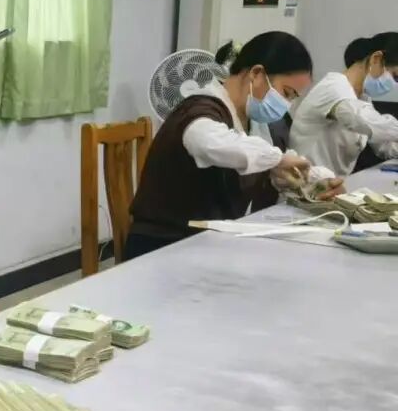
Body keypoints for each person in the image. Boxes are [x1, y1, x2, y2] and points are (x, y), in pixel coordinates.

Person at [125, 31, 342, 259]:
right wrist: (276, 160)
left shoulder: (254, 123)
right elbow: (213, 144)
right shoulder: (200, 109)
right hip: (164, 247)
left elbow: (276, 158)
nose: (286, 105)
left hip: (205, 244)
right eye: (286, 93)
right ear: (256, 74)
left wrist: (317, 181)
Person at [289, 32, 398, 176]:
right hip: (305, 182)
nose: (394, 85)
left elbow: (383, 144)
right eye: (395, 76)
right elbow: (365, 121)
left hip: (335, 183)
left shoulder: (362, 98)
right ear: (376, 59)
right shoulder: (333, 87)